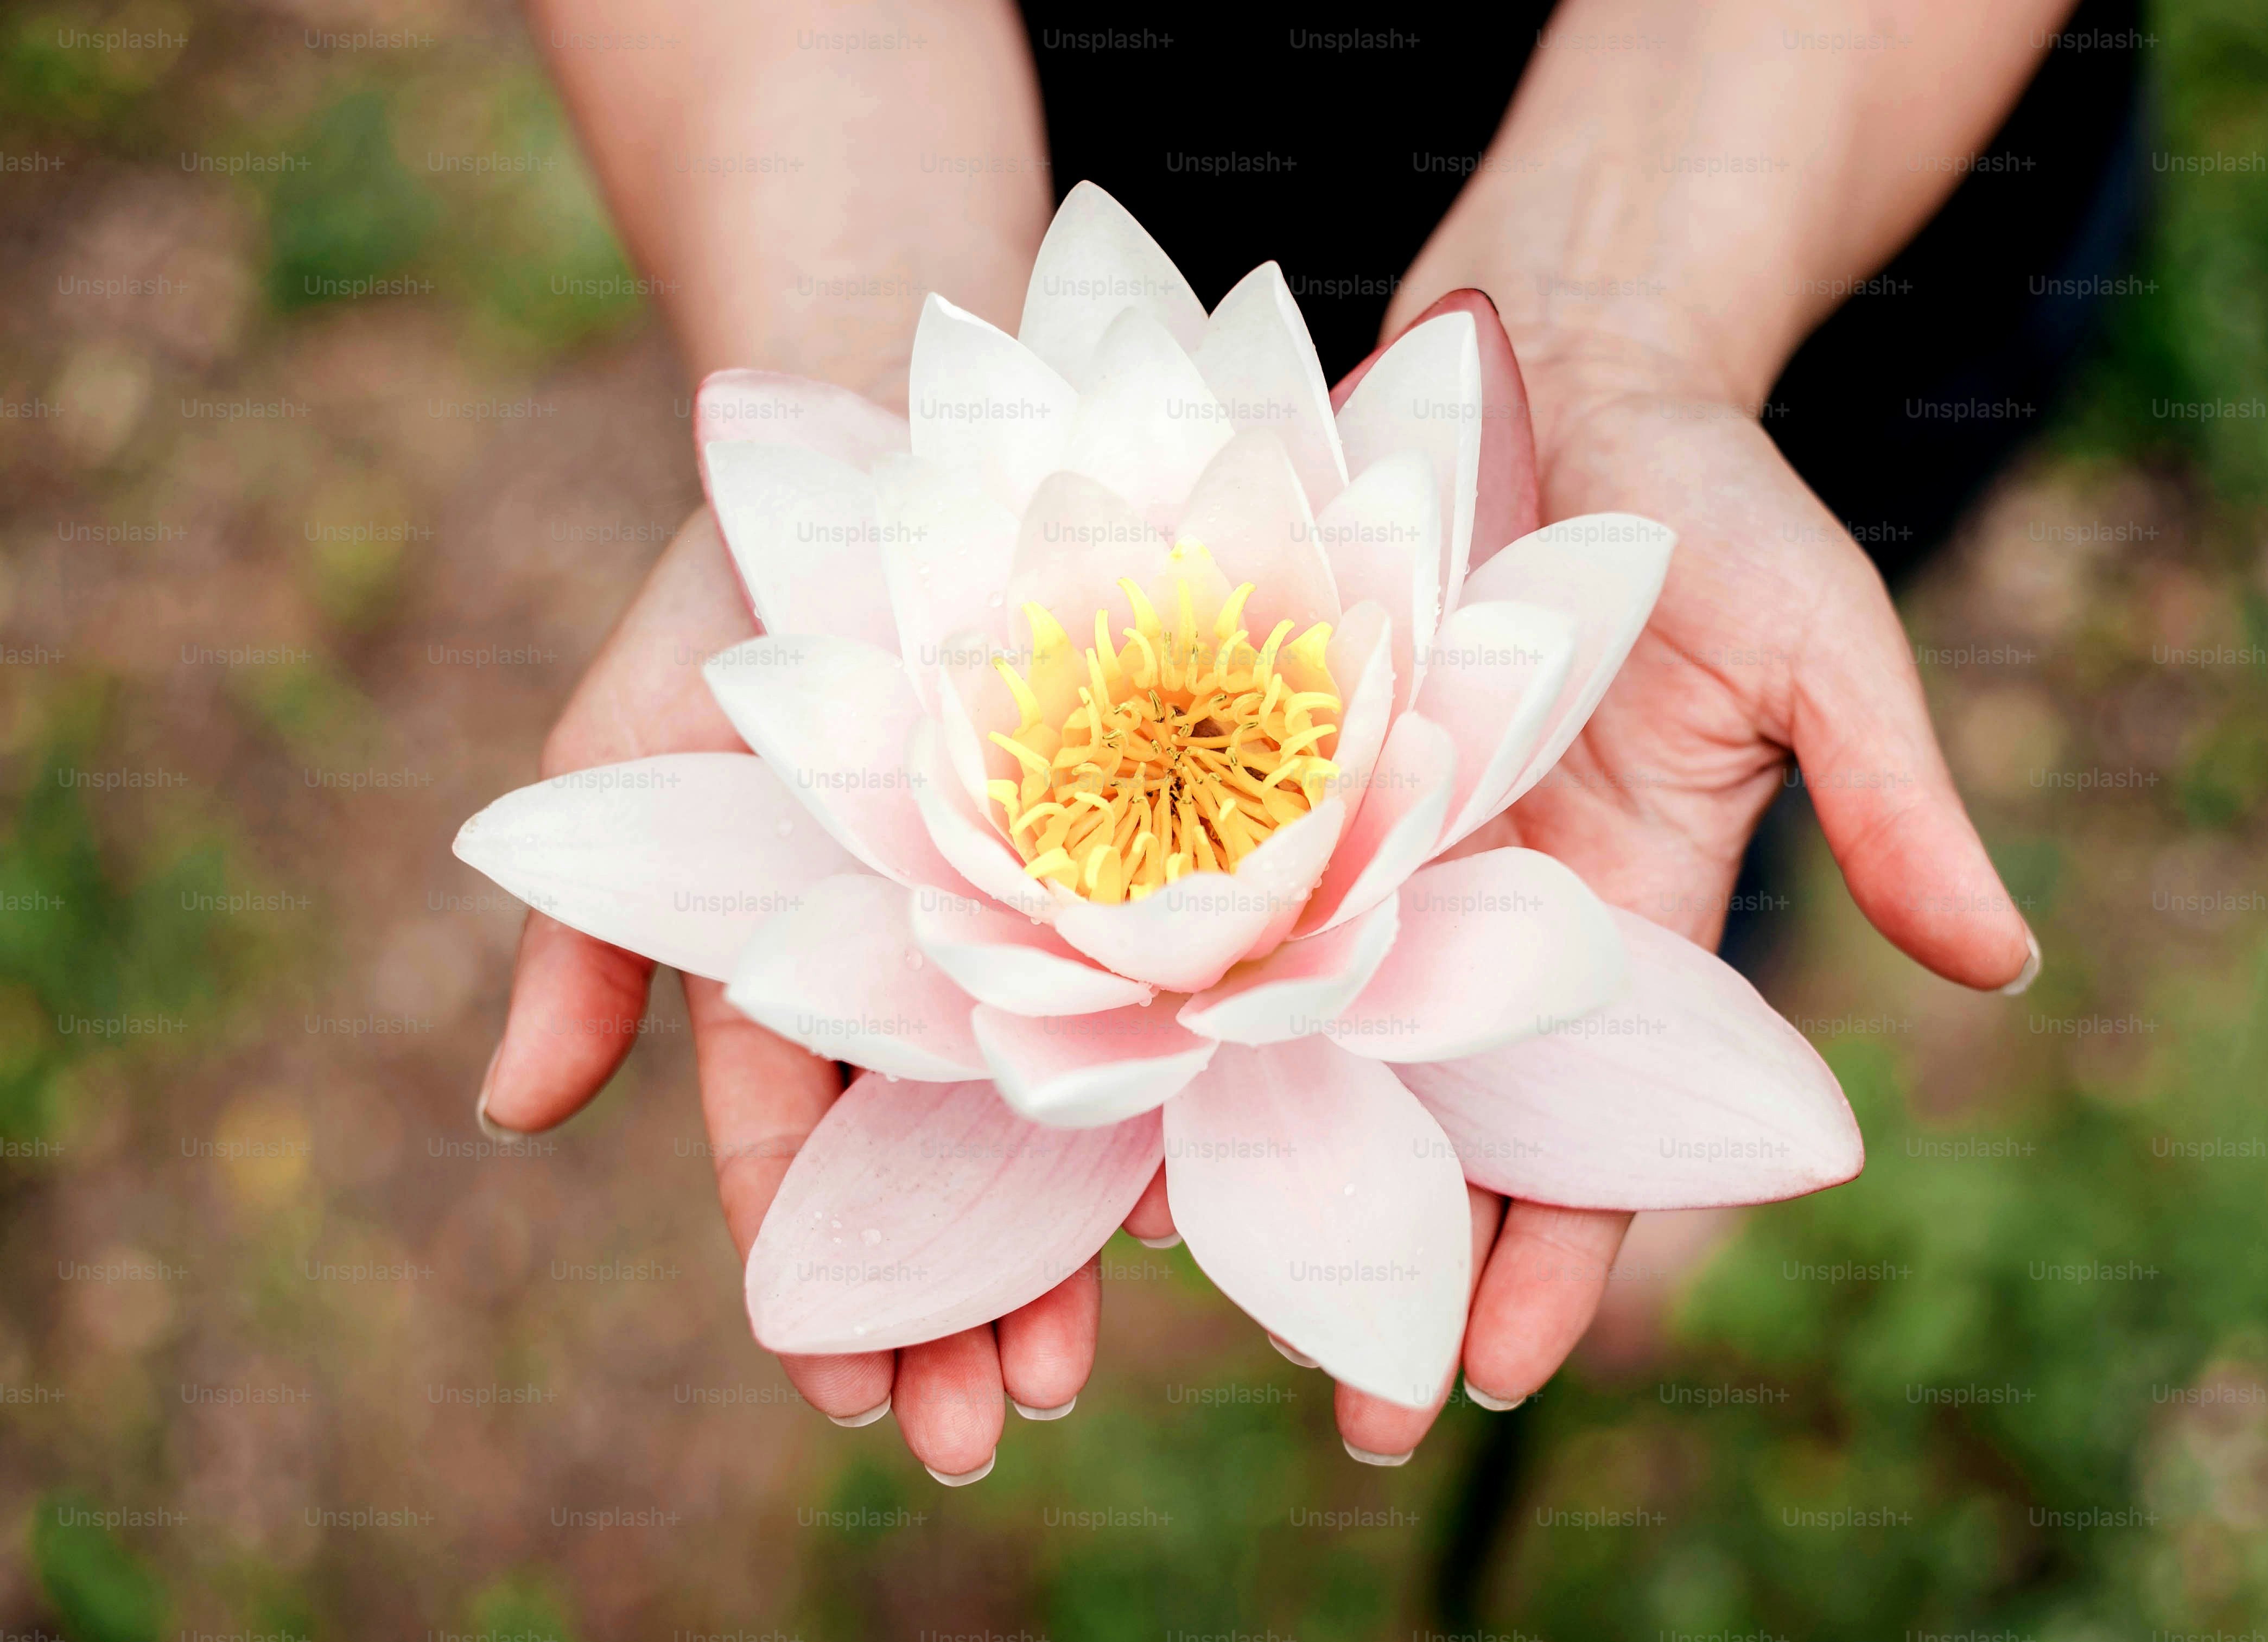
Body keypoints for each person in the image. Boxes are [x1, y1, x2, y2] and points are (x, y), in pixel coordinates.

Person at [477, 0, 2133, 1481]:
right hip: (1022, 122)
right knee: (1670, 741)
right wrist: (852, 313)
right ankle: (1619, 1108)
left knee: (1678, 733)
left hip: (1797, 150)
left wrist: (1636, 310)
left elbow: (1557, 641)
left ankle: (1665, 1027)